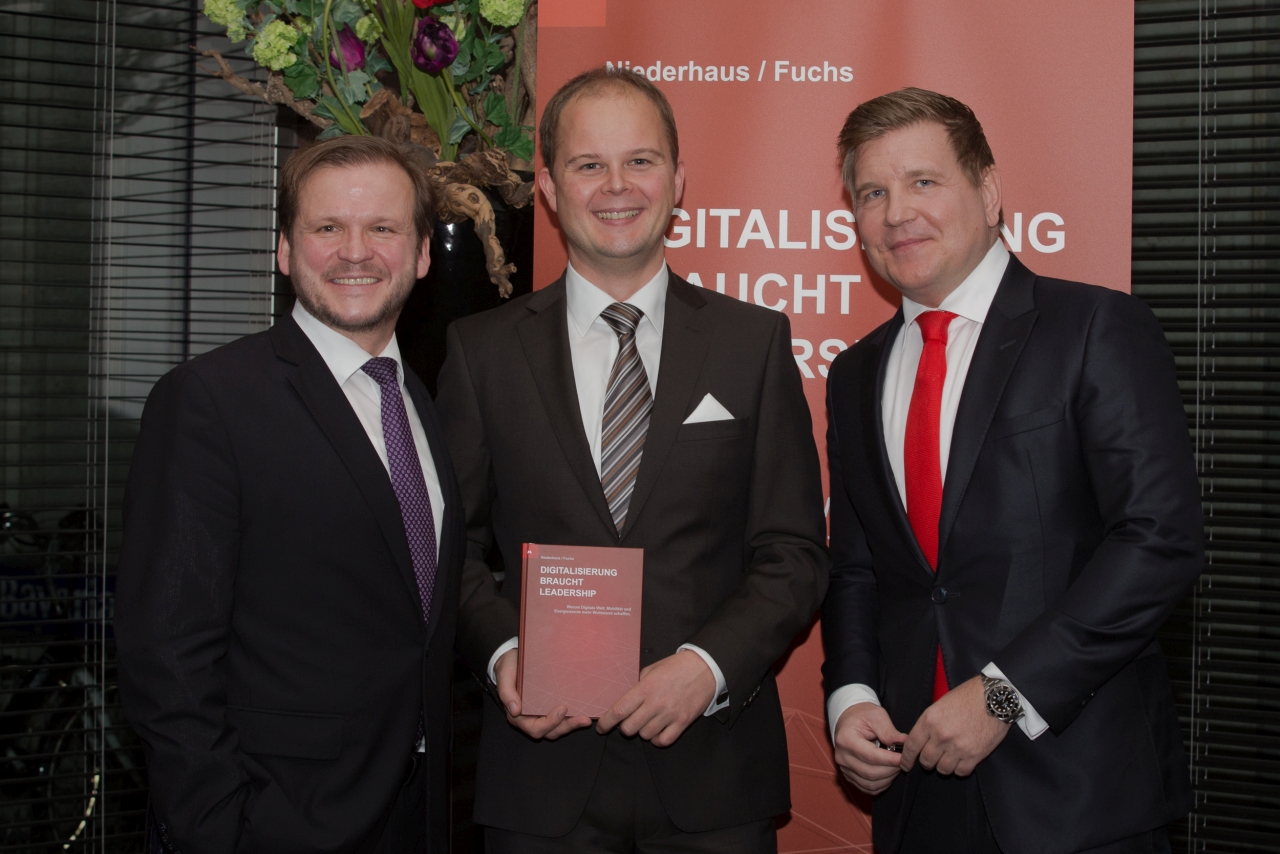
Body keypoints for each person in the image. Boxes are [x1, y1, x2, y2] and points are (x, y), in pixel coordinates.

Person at [435, 67, 829, 853]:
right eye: (589, 164)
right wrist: (506, 655)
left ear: (677, 180)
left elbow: (793, 550)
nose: (617, 186)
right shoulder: (481, 353)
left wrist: (709, 667)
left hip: (713, 776)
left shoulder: (752, 343)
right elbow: (454, 550)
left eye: (640, 161)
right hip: (541, 780)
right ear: (550, 187)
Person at [821, 87, 1203, 854]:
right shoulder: (854, 373)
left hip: (1077, 796)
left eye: (923, 181)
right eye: (872, 193)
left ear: (989, 191)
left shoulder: (1094, 327)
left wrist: (1003, 695)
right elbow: (859, 568)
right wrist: (851, 696)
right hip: (916, 787)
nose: (897, 213)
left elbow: (1158, 539)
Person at [116, 135, 463, 854]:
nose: (355, 252)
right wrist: (220, 830)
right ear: (283, 249)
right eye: (327, 227)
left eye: (383, 228)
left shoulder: (418, 401)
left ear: (423, 253)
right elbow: (167, 652)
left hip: (416, 818)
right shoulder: (210, 400)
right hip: (275, 822)